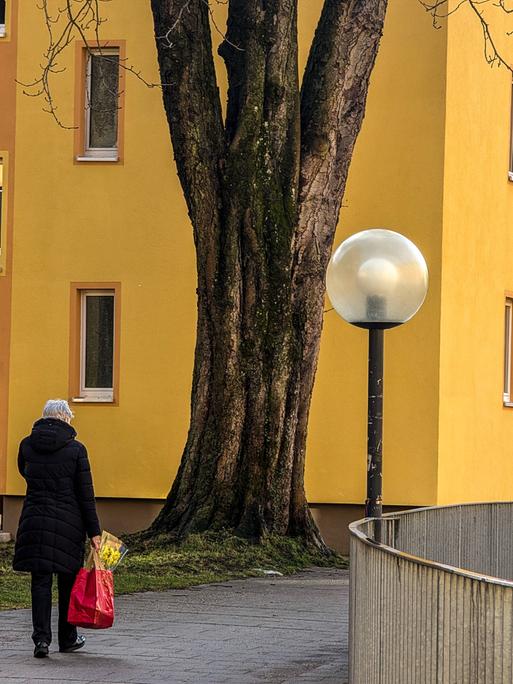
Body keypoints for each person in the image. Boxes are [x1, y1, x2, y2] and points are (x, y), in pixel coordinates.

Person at [12, 399, 102, 658]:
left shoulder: (27, 445)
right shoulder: (76, 449)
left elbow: (24, 473)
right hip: (68, 524)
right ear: (65, 418)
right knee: (67, 583)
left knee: (40, 583)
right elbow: (86, 495)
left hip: (35, 521)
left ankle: (41, 641)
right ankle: (67, 638)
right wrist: (94, 531)